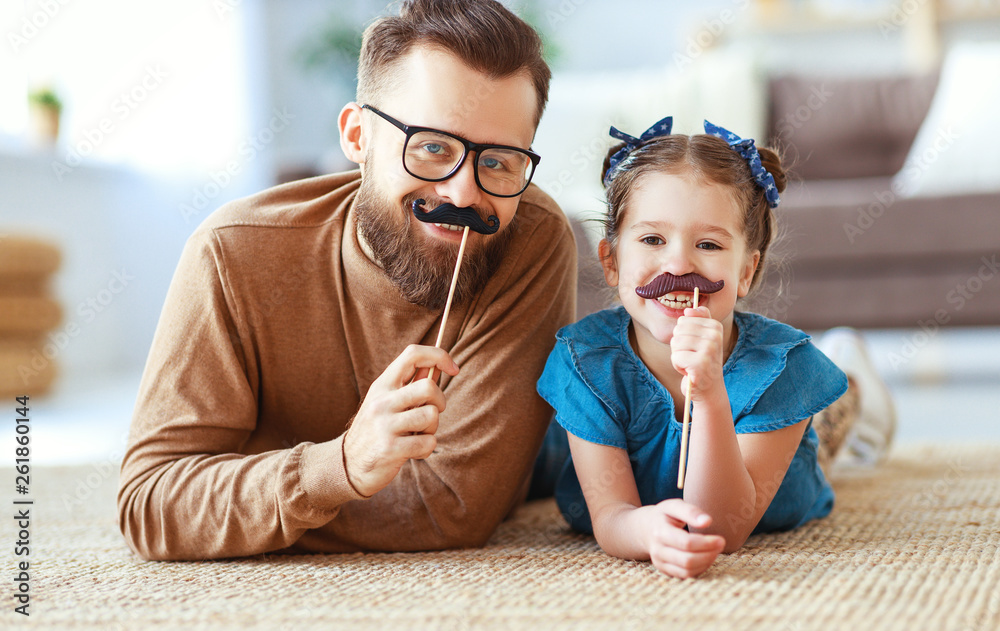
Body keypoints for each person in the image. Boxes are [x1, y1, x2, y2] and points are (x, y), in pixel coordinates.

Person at [117, 0, 576, 561]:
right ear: (358, 136)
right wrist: (340, 467)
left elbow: (453, 507)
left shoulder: (533, 235)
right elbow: (151, 503)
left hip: (533, 439)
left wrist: (242, 500)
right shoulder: (231, 253)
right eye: (433, 148)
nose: (463, 194)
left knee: (613, 427)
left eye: (499, 161)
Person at [534, 116, 894, 579]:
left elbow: (724, 528)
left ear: (746, 272)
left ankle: (857, 390)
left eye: (707, 243)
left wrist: (708, 393)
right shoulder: (584, 362)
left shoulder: (783, 368)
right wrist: (644, 530)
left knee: (828, 432)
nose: (679, 262)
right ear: (611, 260)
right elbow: (610, 516)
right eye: (651, 239)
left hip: (771, 483)